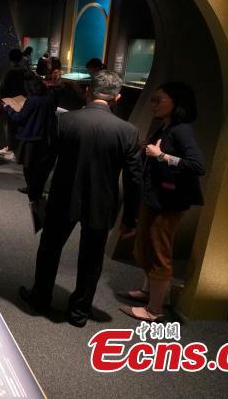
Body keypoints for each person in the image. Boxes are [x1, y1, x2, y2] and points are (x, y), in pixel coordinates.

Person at [19, 71, 143, 327]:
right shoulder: (128, 131)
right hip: (102, 203)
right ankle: (79, 311)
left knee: (50, 249)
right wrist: (130, 218)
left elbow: (44, 161)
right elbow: (134, 180)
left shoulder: (65, 121)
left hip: (64, 197)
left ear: (88, 91)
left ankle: (40, 298)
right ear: (117, 97)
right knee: (92, 258)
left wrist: (35, 193)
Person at [119, 82, 206, 322]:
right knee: (145, 247)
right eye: (153, 100)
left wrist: (163, 156)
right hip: (155, 198)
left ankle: (154, 309)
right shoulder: (166, 127)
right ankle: (149, 293)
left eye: (159, 100)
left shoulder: (182, 130)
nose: (153, 105)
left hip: (168, 202)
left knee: (159, 251)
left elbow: (197, 165)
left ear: (176, 103)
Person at [3, 73, 56, 203]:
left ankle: (33, 191)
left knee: (28, 168)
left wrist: (8, 108)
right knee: (39, 167)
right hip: (44, 138)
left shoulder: (32, 100)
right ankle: (36, 189)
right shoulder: (48, 98)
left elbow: (19, 117)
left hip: (30, 139)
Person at [0, 48, 28, 159]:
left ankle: (11, 150)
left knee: (9, 127)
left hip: (10, 104)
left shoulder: (8, 72)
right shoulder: (26, 72)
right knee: (20, 127)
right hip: (24, 103)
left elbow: (1, 91)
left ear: (10, 59)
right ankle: (16, 149)